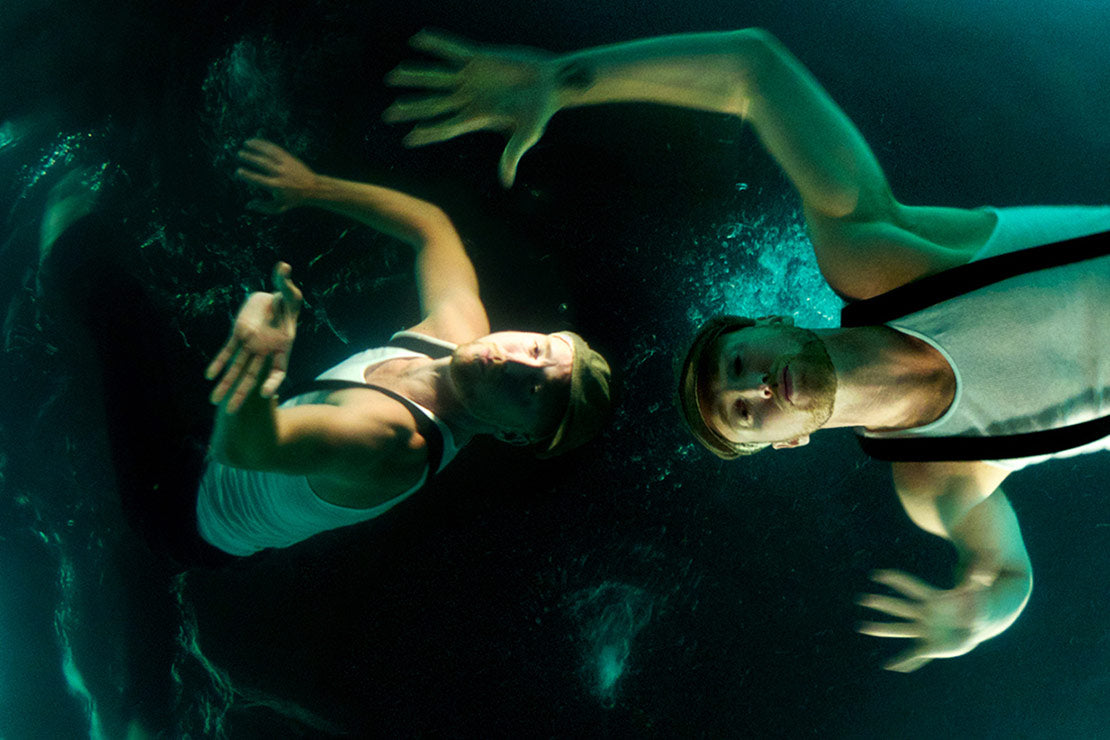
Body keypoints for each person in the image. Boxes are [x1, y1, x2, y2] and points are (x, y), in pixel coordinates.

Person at [382, 28, 1110, 672]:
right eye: (744, 414)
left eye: (737, 364)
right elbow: (1006, 576)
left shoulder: (880, 260)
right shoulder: (935, 481)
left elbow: (753, 69)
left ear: (775, 322)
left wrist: (565, 80)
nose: (756, 388)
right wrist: (979, 618)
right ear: (788, 443)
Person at [196, 138, 613, 558]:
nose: (514, 363)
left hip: (195, 517)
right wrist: (310, 186)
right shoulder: (457, 330)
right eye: (538, 350)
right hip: (223, 428)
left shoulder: (393, 439)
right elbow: (431, 226)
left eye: (532, 391)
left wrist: (257, 355)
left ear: (513, 435)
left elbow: (244, 450)